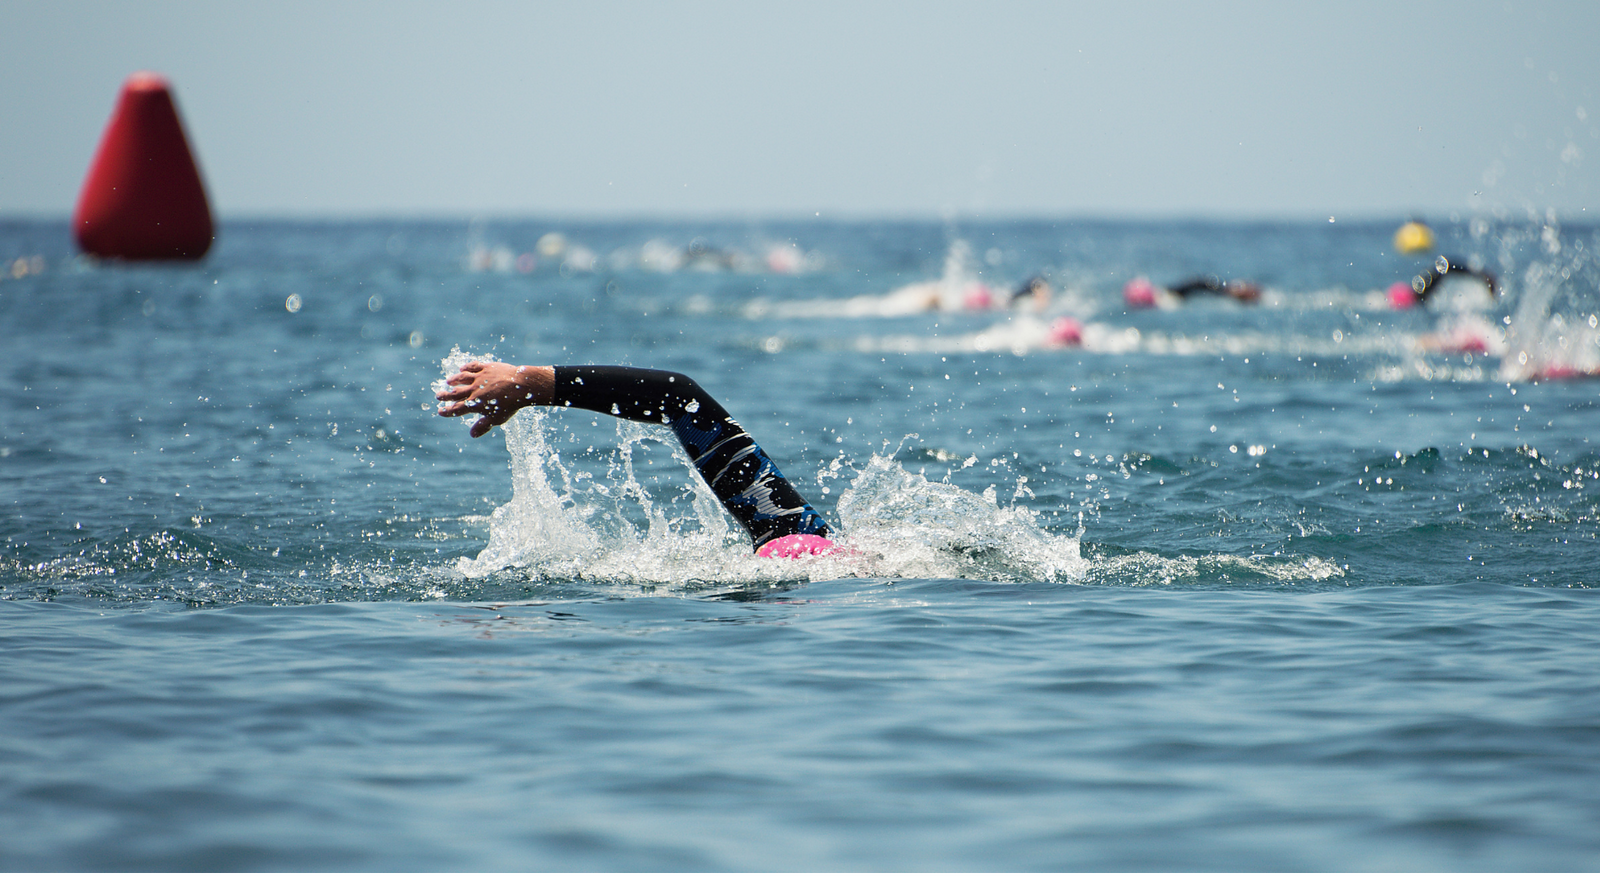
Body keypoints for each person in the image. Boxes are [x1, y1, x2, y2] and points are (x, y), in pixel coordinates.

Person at [437, 361, 835, 558]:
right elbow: (680, 400)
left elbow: (680, 399)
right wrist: (534, 383)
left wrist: (535, 384)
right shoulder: (807, 546)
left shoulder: (803, 547)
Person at [1387, 255, 1498, 308]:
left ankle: (1483, 276)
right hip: (1421, 289)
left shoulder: (1422, 291)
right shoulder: (1421, 292)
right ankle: (1482, 275)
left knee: (1443, 267)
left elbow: (1446, 265)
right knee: (1443, 268)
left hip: (1423, 287)